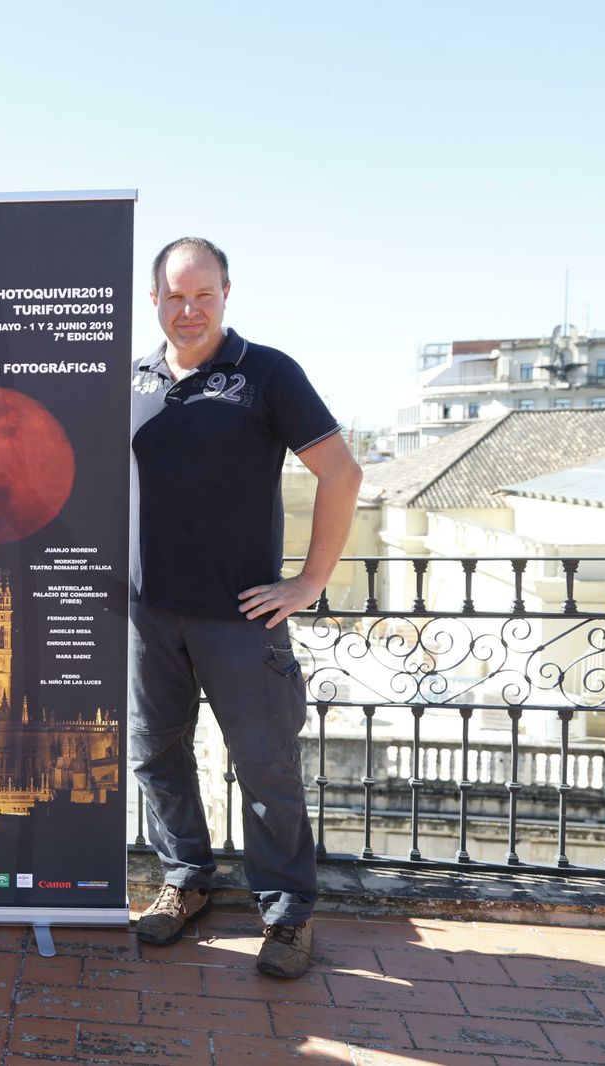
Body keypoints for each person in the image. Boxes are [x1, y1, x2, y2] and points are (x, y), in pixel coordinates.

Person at [128, 238, 362, 978]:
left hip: (242, 619)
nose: (187, 309)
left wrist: (308, 582)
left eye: (203, 295)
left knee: (266, 768)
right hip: (147, 615)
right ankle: (186, 880)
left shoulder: (267, 372)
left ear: (227, 295)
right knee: (157, 756)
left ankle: (288, 914)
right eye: (174, 295)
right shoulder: (131, 379)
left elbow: (341, 472)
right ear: (154, 301)